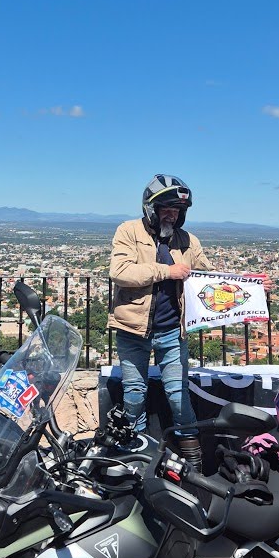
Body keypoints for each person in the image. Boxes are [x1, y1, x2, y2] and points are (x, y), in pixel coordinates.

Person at [110, 174, 207, 455]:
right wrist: (167, 271)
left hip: (172, 332)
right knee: (134, 395)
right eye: (166, 209)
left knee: (179, 397)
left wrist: (248, 285)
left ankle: (192, 457)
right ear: (150, 208)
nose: (171, 216)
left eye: (177, 211)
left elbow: (207, 278)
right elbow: (120, 272)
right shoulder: (128, 232)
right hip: (133, 330)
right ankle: (136, 453)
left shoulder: (188, 240)